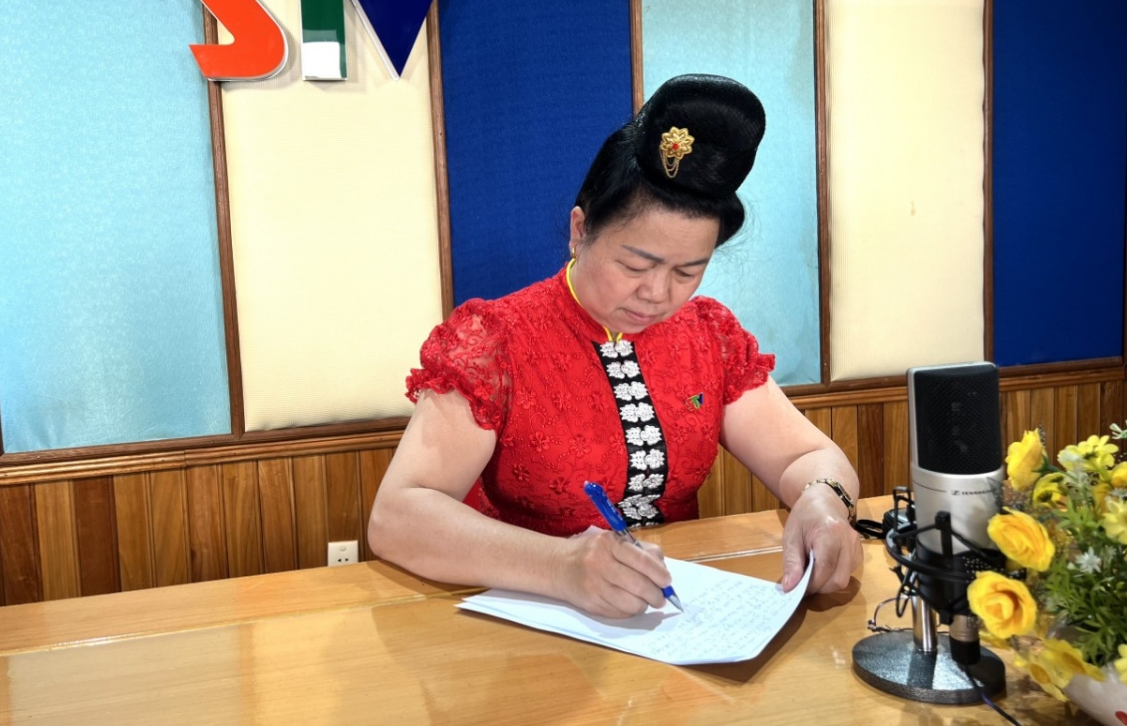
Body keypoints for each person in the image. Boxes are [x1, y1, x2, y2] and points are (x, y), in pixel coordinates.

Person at [369, 74, 862, 619]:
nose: (657, 293)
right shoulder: (494, 340)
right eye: (635, 265)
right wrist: (559, 566)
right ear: (580, 231)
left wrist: (823, 501)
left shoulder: (707, 336)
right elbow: (398, 516)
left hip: (673, 617)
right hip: (528, 618)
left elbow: (806, 456)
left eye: (687, 271)